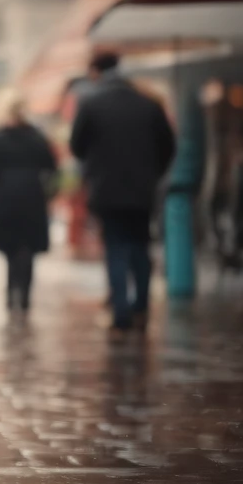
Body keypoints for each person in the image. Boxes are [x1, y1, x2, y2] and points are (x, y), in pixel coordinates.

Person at [70, 51, 175, 333]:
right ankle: (141, 308)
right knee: (141, 246)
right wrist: (153, 174)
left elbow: (76, 147)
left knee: (116, 248)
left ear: (96, 73)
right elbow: (168, 147)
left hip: (107, 190)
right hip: (143, 191)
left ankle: (121, 313)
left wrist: (95, 164)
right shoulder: (149, 105)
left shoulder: (91, 104)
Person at [0, 88, 58, 312]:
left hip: (6, 196)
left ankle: (11, 291)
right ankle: (25, 296)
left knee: (11, 248)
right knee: (28, 248)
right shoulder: (37, 137)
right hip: (33, 196)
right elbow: (51, 167)